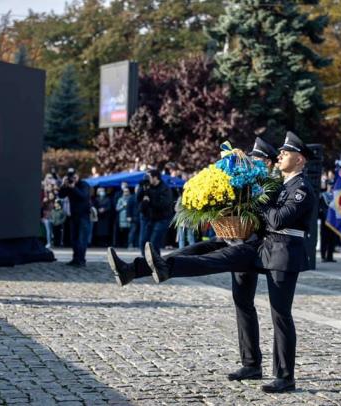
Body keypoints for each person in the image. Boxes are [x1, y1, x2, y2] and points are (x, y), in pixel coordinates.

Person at [106, 131, 316, 393]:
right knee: (211, 263)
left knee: (278, 312)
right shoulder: (281, 185)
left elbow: (275, 219)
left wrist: (256, 194)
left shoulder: (299, 188)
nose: (280, 155)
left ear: (301, 159)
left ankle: (285, 376)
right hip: (254, 243)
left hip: (276, 251)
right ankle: (135, 269)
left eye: (285, 153)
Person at [58, 168, 91, 267]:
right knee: (74, 239)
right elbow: (61, 195)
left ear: (78, 176)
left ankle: (81, 260)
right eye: (71, 177)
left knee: (82, 239)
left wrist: (73, 187)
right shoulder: (69, 185)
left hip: (84, 216)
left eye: (74, 176)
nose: (73, 178)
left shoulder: (84, 185)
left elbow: (83, 196)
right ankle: (75, 259)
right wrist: (63, 185)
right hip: (74, 216)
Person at [138, 170, 174, 256]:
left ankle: (156, 263)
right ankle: (145, 261)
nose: (146, 178)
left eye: (148, 177)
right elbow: (138, 199)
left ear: (155, 178)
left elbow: (164, 204)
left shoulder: (165, 188)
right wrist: (141, 189)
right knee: (143, 241)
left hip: (162, 218)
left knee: (154, 242)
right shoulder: (146, 186)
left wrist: (150, 200)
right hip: (147, 216)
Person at [319, 181, 337, 262]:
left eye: (332, 186)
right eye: (330, 186)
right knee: (324, 239)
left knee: (331, 239)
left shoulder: (335, 197)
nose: (331, 188)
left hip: (333, 220)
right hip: (325, 220)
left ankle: (330, 256)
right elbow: (321, 208)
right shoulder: (323, 196)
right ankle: (323, 256)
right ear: (327, 186)